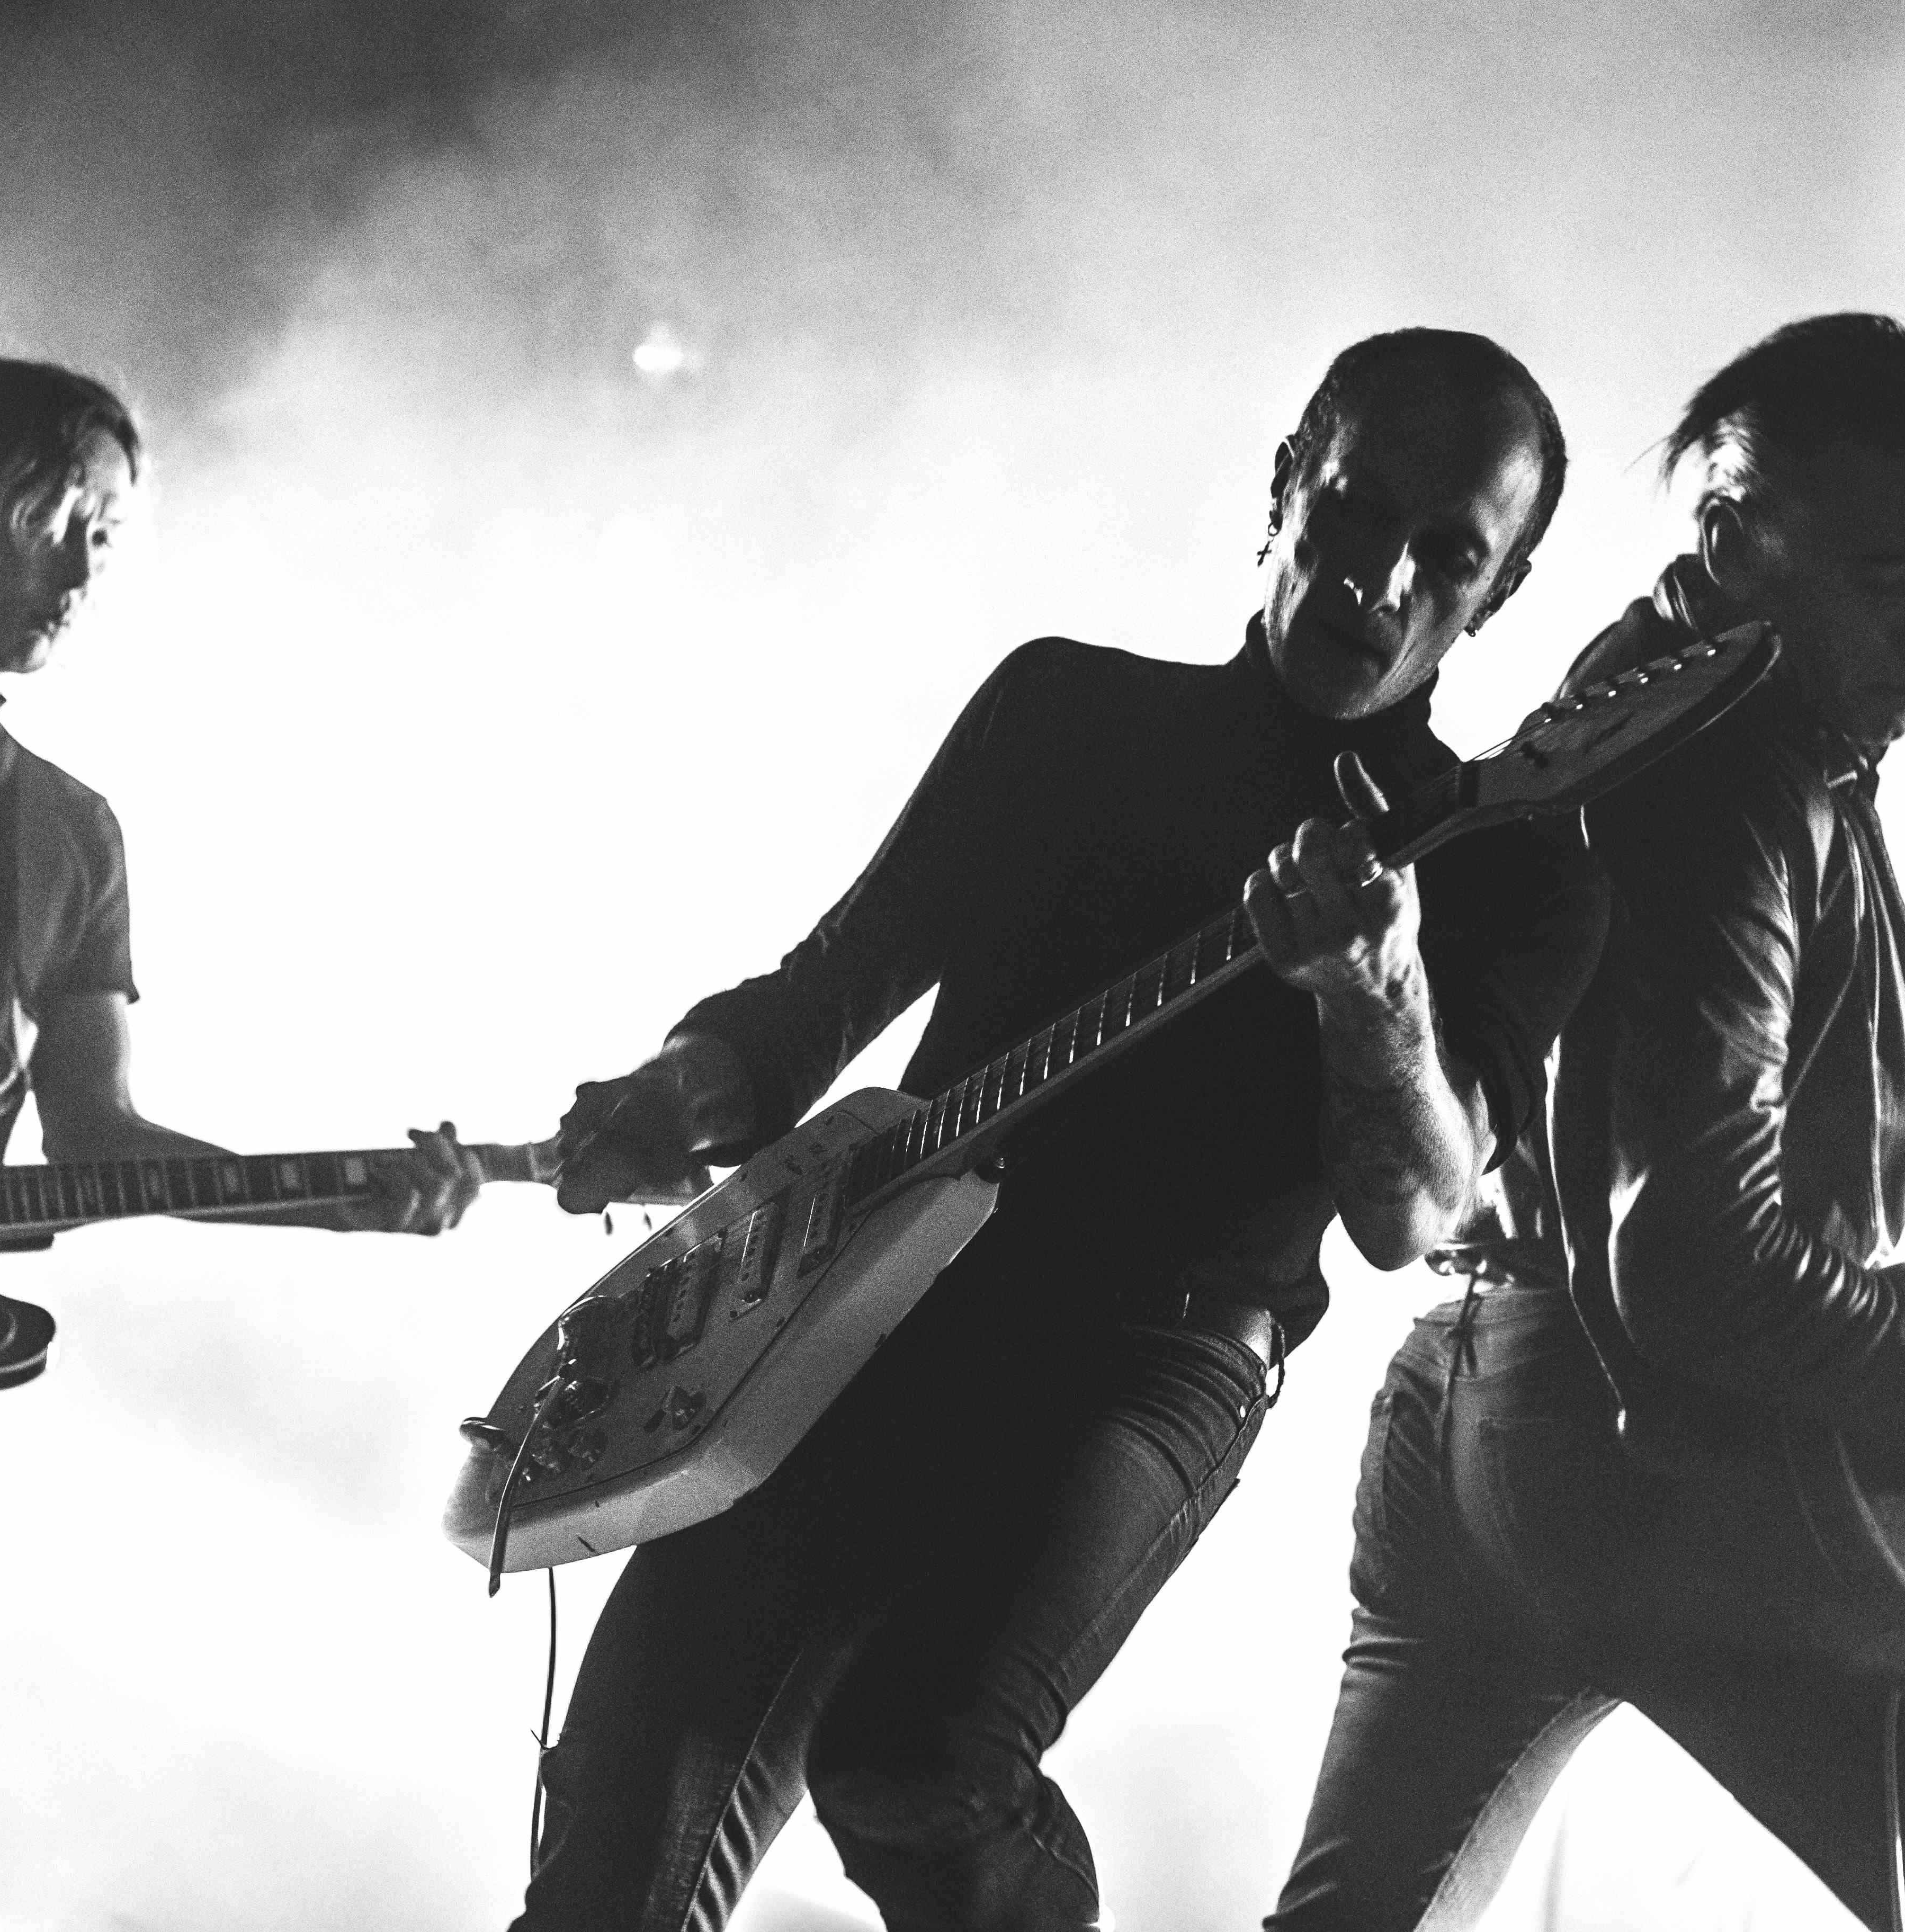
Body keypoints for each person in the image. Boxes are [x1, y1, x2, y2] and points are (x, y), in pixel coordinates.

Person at [526, 327, 1609, 1931]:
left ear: (1499, 594)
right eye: (1355, 510)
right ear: (1287, 485)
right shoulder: (1067, 710)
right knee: (606, 1860)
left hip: (1153, 1358)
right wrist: (688, 1089)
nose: (1381, 579)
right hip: (856, 1306)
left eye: (1449, 557)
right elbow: (826, 992)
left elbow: (1413, 1213)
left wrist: (1374, 983)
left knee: (914, 1763)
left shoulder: (1512, 863)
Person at [1266, 315, 1905, 1931]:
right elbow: (1697, 1259)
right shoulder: (1733, 778)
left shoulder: (1666, 696)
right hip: (1660, 1473)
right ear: (1732, 537)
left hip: (1468, 1408)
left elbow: (1751, 1041)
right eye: (1884, 577)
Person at [0, 354, 486, 1932]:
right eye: (60, 516)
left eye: (109, 531)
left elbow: (101, 1132)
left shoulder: (69, 828)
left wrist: (338, 1204)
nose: (86, 567)